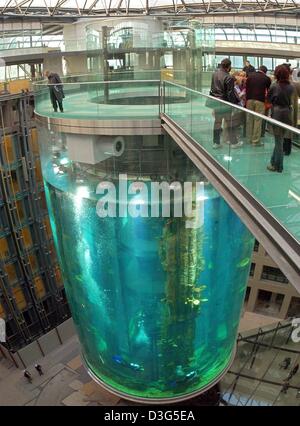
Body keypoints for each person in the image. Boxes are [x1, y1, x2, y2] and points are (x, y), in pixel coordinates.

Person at [267, 65, 296, 173]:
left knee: (278, 142)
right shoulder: (291, 87)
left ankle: (278, 166)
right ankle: (273, 161)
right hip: (287, 114)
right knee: (280, 140)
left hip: (277, 114)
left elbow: (269, 100)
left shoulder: (274, 86)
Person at [209, 58, 242, 149]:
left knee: (217, 123)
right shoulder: (229, 77)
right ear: (229, 66)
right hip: (225, 103)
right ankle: (234, 143)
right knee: (230, 123)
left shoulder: (214, 74)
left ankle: (216, 143)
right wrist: (233, 105)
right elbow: (230, 93)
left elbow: (212, 88)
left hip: (216, 102)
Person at [246, 65, 271, 146]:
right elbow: (269, 91)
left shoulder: (250, 76)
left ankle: (249, 139)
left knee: (250, 119)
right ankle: (255, 141)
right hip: (260, 101)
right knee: (258, 120)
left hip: (249, 100)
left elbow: (246, 88)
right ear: (265, 72)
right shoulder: (266, 78)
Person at [281, 64, 300, 155]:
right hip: (290, 111)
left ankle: (284, 148)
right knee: (288, 130)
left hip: (283, 111)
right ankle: (287, 149)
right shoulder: (294, 84)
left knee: (283, 130)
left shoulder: (277, 84)